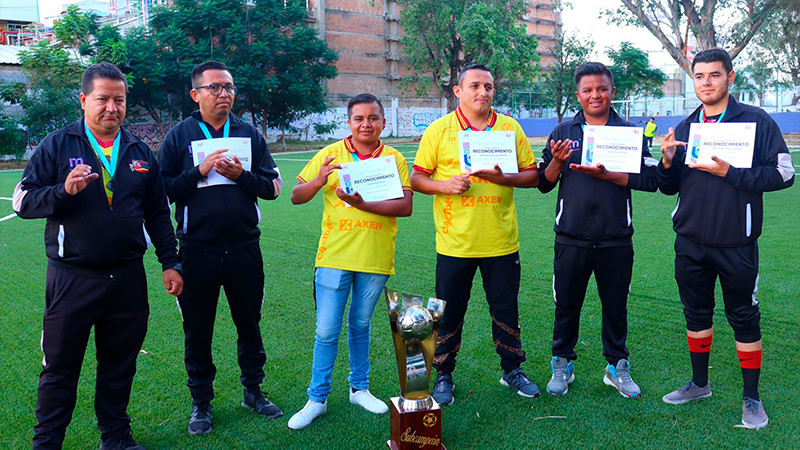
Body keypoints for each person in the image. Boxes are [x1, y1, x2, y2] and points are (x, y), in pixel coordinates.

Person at [13, 62, 183, 450]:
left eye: (119, 100)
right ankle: (47, 444)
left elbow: (158, 213)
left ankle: (116, 436)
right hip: (73, 278)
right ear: (83, 100)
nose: (112, 107)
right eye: (103, 99)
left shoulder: (139, 150)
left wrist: (170, 262)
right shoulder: (58, 144)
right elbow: (22, 201)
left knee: (119, 364)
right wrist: (62, 191)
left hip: (127, 279)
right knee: (60, 368)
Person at [657, 48, 794, 429]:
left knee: (744, 317)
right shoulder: (686, 126)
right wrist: (667, 161)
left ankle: (752, 398)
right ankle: (699, 384)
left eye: (714, 75)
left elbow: (784, 174)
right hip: (690, 243)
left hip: (736, 243)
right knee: (696, 313)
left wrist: (731, 173)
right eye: (699, 76)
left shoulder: (756, 121)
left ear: (730, 77)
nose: (706, 83)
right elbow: (669, 187)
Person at [158, 61, 283, 435]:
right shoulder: (179, 137)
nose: (223, 94)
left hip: (245, 248)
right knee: (198, 331)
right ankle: (201, 403)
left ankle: (253, 391)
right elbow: (161, 192)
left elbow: (273, 188)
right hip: (197, 252)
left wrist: (240, 176)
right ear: (195, 94)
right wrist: (198, 172)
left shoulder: (249, 134)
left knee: (250, 324)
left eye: (228, 87)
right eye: (214, 88)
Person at [410, 64, 540, 406]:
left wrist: (503, 178)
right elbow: (417, 178)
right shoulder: (439, 130)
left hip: (501, 241)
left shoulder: (509, 127)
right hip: (455, 242)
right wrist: (444, 185)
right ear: (458, 91)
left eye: (489, 86)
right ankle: (443, 374)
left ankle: (512, 370)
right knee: (449, 313)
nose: (483, 92)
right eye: (475, 86)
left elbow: (532, 176)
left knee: (506, 310)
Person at [287, 93, 413, 429]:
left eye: (373, 118)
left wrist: (361, 204)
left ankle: (359, 388)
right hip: (334, 255)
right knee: (326, 330)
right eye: (359, 118)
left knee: (360, 325)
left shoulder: (394, 158)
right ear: (349, 123)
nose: (366, 124)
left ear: (383, 122)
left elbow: (405, 206)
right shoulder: (330, 154)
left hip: (375, 257)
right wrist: (319, 180)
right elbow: (296, 196)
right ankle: (317, 398)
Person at [537, 62, 657, 399]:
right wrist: (557, 162)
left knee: (615, 306)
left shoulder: (629, 133)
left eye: (602, 89)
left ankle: (616, 365)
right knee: (566, 305)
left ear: (612, 92)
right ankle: (562, 362)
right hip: (571, 237)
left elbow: (651, 180)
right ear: (578, 95)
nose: (595, 95)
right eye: (588, 90)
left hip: (615, 238)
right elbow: (544, 183)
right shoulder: (563, 132)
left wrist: (611, 175)